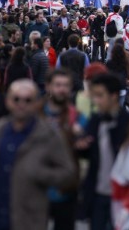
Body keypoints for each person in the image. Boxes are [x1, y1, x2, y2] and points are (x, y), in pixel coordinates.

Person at [0, 80, 76, 230]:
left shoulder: (48, 135)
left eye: (28, 100)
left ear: (36, 103)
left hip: (27, 219)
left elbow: (68, 173)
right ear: (8, 101)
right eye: (16, 99)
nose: (21, 104)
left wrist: (39, 173)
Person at [76, 73, 129, 230]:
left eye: (100, 96)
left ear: (114, 96)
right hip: (98, 194)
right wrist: (81, 147)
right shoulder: (95, 120)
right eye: (94, 96)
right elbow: (89, 151)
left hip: (124, 196)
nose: (96, 101)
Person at [43, 69, 85, 230]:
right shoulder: (36, 114)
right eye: (57, 85)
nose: (62, 89)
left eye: (65, 85)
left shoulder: (77, 116)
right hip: (39, 187)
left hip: (66, 189)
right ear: (48, 87)